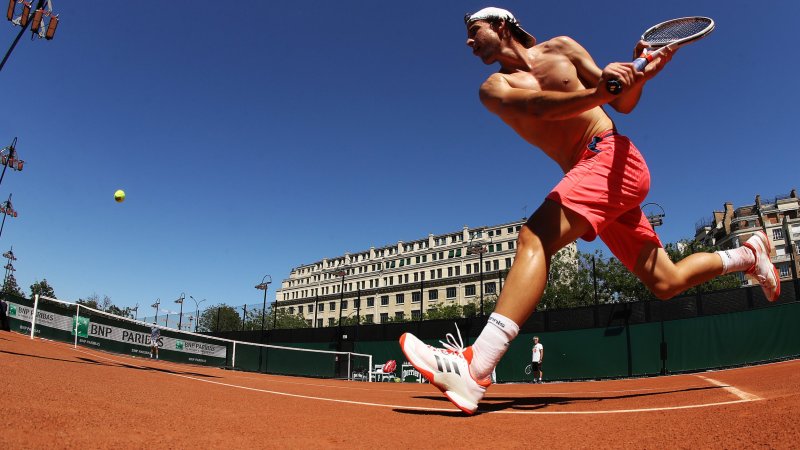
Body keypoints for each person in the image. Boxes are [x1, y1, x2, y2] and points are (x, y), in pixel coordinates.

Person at [399, 6, 781, 415]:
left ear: (501, 24)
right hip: (592, 177)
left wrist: (639, 77)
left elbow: (624, 103)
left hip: (611, 157)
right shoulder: (494, 87)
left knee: (535, 237)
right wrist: (602, 91)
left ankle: (476, 367)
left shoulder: (562, 46)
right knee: (665, 281)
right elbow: (540, 108)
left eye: (474, 30)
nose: (468, 41)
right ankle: (747, 255)